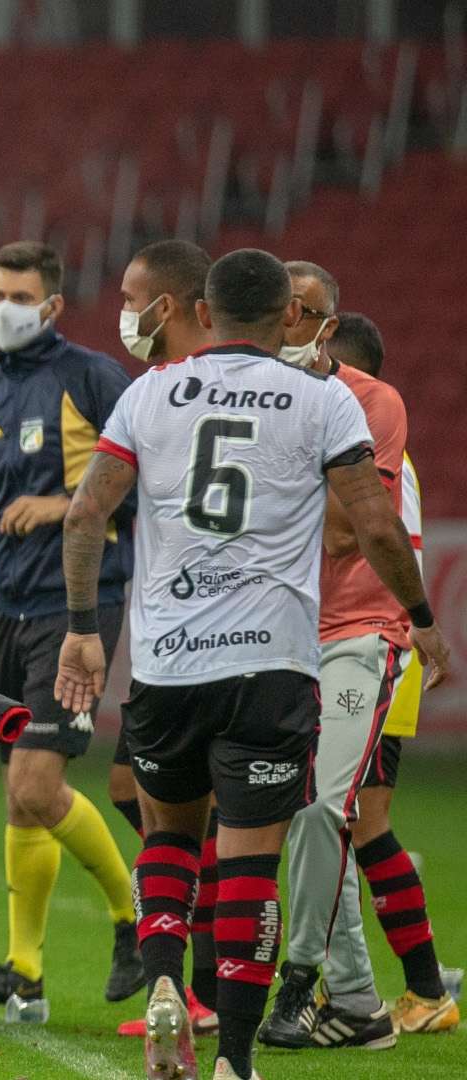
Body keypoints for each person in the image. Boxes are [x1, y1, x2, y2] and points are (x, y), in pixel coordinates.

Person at [55, 247, 450, 1080]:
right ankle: (234, 1057)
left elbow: (87, 514)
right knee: (250, 863)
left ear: (205, 309)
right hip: (271, 663)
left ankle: (166, 983)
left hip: (166, 660)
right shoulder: (322, 400)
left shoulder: (147, 394)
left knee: (168, 835)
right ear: (285, 317)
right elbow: (376, 527)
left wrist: (83, 628)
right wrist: (421, 619)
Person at [0, 241, 143, 1016]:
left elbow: (146, 478)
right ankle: (25, 967)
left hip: (78, 606)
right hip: (10, 608)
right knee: (18, 795)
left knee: (37, 782)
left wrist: (68, 507)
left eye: (20, 296)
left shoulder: (92, 378)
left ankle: (130, 915)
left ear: (53, 306)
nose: (4, 307)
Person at [258, 283, 442, 1050]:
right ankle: (363, 1002)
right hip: (273, 634)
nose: (289, 318)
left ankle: (301, 982)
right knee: (314, 820)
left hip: (362, 630)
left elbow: (344, 530)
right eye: (280, 305)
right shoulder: (248, 393)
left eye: (303, 305)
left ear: (326, 321)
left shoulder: (374, 403)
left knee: (330, 812)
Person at [316, 312, 460, 1036]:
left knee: (359, 825)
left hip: (371, 645)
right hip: (366, 642)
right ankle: (413, 982)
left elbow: (359, 534)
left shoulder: (370, 447)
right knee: (357, 826)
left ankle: (418, 988)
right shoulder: (377, 449)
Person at [105, 240, 225, 1042]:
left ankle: (200, 983)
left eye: (129, 297)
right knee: (136, 795)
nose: (123, 312)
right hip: (188, 634)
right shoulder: (157, 392)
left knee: (196, 822)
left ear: (170, 306)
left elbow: (97, 509)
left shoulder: (156, 394)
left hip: (193, 640)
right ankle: (193, 974)